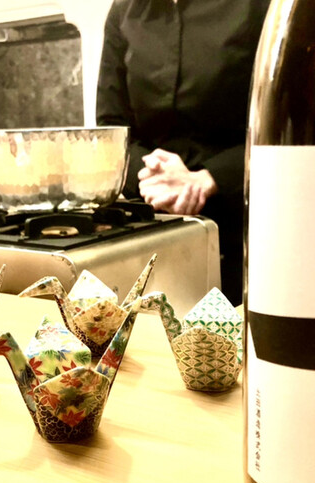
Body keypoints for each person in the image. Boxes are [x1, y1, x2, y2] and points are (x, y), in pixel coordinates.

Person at [96, 0, 270, 305]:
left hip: (248, 226)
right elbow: (111, 129)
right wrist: (150, 178)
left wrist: (208, 179)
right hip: (154, 224)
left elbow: (291, 122)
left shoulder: (260, 6)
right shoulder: (124, 11)